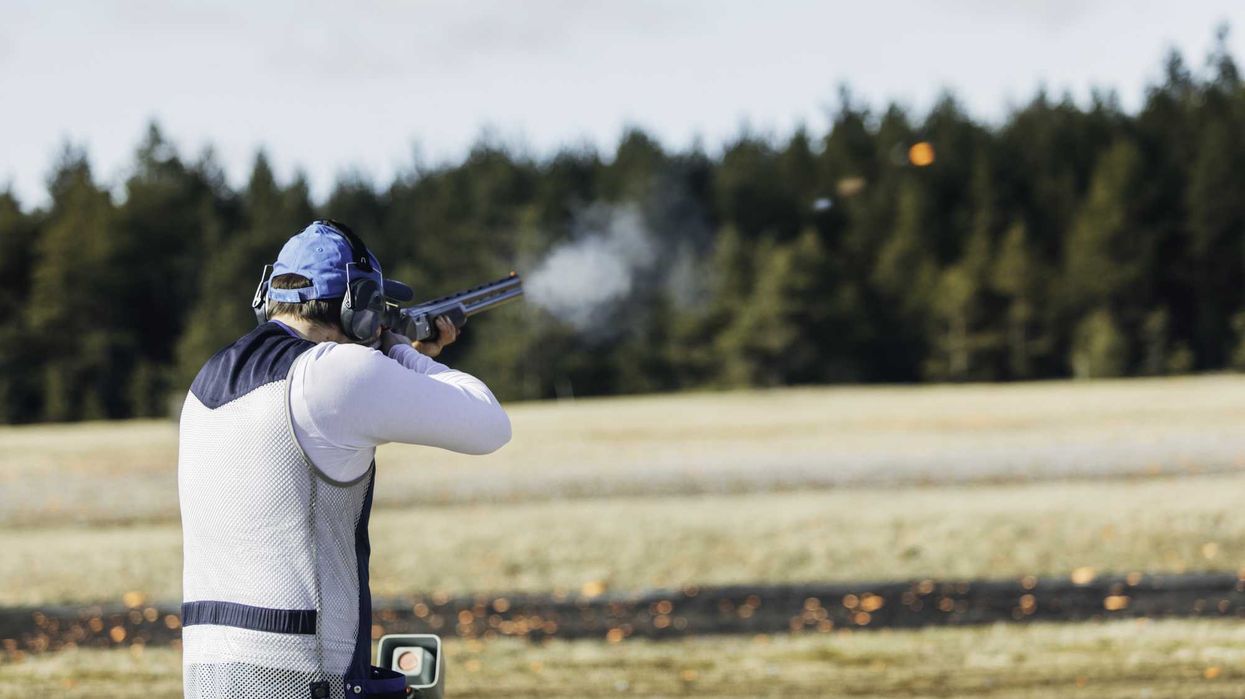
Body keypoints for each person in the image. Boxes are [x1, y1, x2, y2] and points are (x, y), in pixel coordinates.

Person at [177, 220, 511, 699]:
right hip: (303, 675)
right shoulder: (333, 372)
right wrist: (400, 351)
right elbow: (488, 423)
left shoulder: (208, 379)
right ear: (361, 306)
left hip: (210, 674)